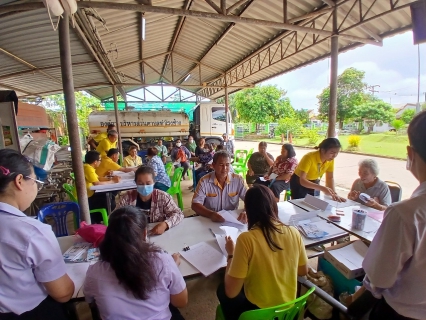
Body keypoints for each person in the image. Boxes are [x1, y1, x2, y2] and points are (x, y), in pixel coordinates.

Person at [349, 111, 426, 320]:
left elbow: (379, 278)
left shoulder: (405, 213)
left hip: (401, 312)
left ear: (410, 153)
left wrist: (354, 303)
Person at [0, 149, 75, 319]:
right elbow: (62, 293)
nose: (36, 187)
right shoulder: (31, 232)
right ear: (19, 181)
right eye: (35, 181)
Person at [216, 185, 308, 320]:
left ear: (248, 210)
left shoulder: (246, 239)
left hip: (258, 314)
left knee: (222, 289)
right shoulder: (293, 232)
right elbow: (302, 271)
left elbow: (231, 292)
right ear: (273, 206)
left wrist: (231, 254)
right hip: (288, 311)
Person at [84, 206, 187, 320]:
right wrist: (172, 268)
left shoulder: (95, 272)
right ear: (144, 234)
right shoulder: (163, 261)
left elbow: (90, 301)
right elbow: (180, 302)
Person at [126, 166, 184, 235]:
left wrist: (165, 224)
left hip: (157, 236)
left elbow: (178, 214)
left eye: (148, 183)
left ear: (154, 182)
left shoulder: (162, 197)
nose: (145, 186)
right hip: (134, 236)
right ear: (135, 183)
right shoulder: (127, 198)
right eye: (141, 184)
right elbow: (118, 219)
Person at [192, 151, 247, 223]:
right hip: (209, 220)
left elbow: (250, 200)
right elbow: (195, 204)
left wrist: (246, 212)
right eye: (221, 165)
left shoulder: (238, 180)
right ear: (213, 165)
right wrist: (211, 214)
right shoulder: (204, 181)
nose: (224, 169)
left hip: (232, 221)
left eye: (227, 165)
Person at [84, 151, 120, 218]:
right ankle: (95, 218)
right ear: (95, 162)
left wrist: (110, 178)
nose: (100, 162)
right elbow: (97, 183)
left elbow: (98, 178)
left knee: (110, 196)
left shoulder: (88, 167)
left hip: (90, 194)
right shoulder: (88, 168)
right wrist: (113, 181)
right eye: (100, 160)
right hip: (86, 199)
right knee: (110, 202)